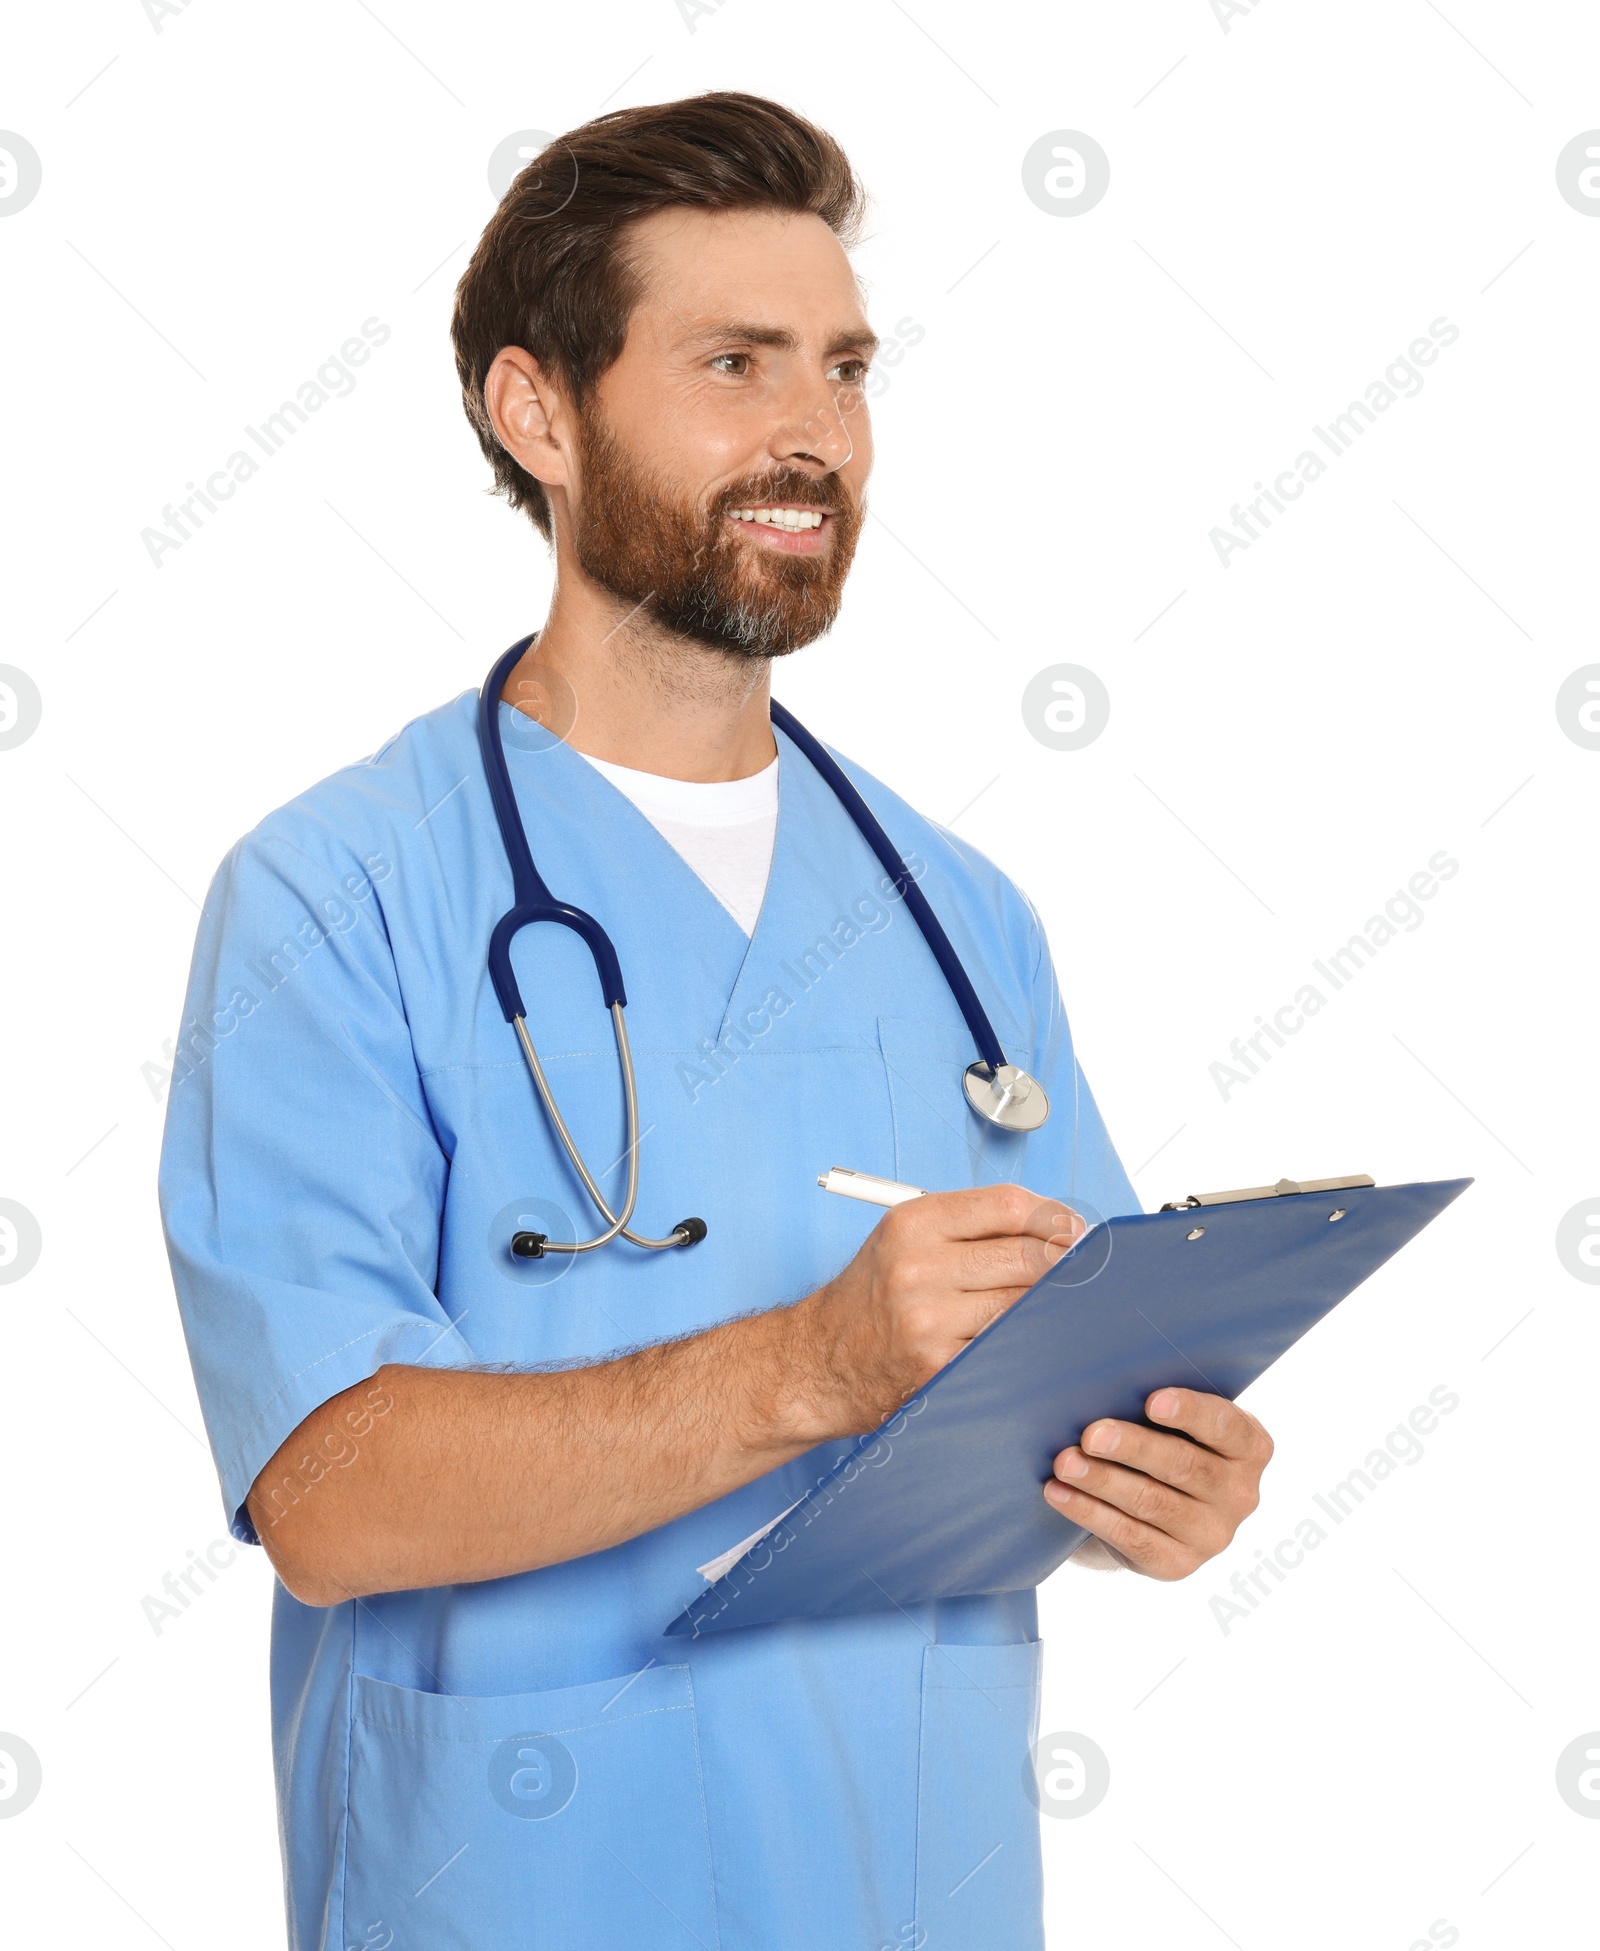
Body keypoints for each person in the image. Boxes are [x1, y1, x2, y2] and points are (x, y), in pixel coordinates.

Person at [159, 91, 1272, 1951]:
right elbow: (328, 1497)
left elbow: (1056, 1377)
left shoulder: (955, 915)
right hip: (522, 1885)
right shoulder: (337, 896)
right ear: (539, 412)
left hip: (914, 1884)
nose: (811, 435)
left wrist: (1152, 1475)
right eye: (732, 363)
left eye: (842, 368)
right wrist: (810, 1367)